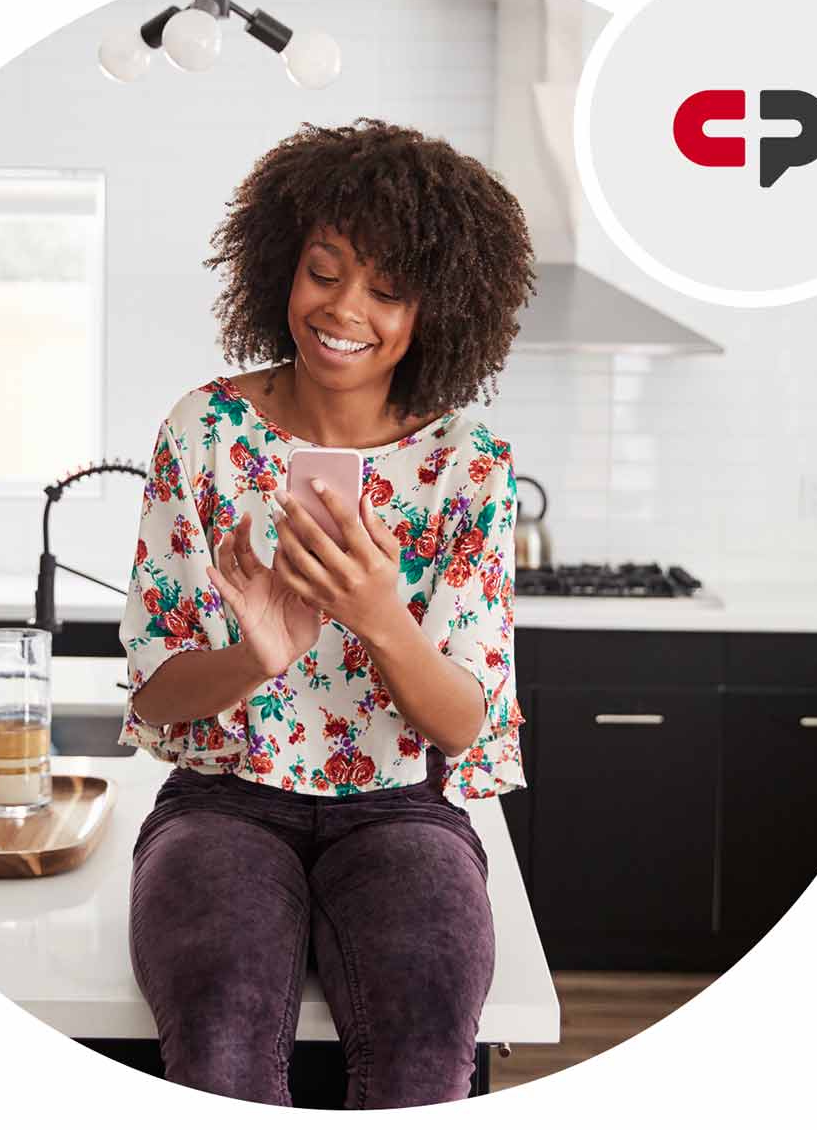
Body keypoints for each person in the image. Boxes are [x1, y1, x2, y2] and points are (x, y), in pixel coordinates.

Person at [119, 117, 537, 1108]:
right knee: (219, 1031)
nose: (347, 308)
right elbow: (162, 693)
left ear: (438, 310)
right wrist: (257, 655)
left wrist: (380, 616)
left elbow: (465, 724)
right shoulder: (204, 431)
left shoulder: (468, 465)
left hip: (402, 807)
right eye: (325, 271)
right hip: (223, 795)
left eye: (389, 290)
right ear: (281, 271)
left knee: (429, 1036)